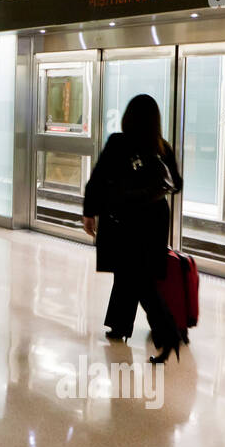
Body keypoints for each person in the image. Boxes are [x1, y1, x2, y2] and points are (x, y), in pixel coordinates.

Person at [81, 93, 184, 364]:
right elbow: (177, 183)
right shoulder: (163, 147)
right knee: (134, 274)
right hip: (155, 219)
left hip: (125, 220)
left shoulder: (119, 143)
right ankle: (119, 327)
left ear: (128, 117)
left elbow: (98, 179)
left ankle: (167, 332)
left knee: (137, 279)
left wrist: (89, 212)